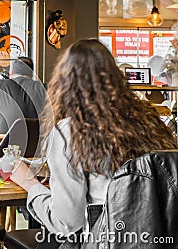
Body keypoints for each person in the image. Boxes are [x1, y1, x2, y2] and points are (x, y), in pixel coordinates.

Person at [11, 39, 178, 247]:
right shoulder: (150, 120)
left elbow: (67, 223)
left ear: (64, 83)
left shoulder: (71, 131)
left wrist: (30, 185)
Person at [0, 56, 46, 134]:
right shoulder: (43, 88)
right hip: (38, 144)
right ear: (32, 74)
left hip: (6, 144)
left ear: (11, 73)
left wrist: (1, 139)